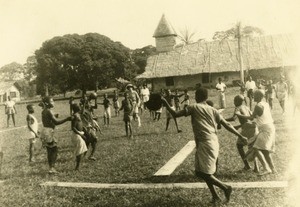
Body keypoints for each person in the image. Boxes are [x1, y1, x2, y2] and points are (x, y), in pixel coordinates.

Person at [162, 87, 248, 203]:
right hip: (212, 142)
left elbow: (176, 114)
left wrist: (165, 103)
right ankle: (215, 196)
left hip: (205, 143)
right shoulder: (213, 110)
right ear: (206, 97)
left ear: (196, 96)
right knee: (203, 172)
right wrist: (240, 135)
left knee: (201, 172)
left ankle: (226, 188)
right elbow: (227, 124)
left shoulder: (194, 107)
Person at [236, 90, 276, 175]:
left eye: (255, 95)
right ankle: (273, 169)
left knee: (256, 148)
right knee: (265, 151)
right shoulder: (265, 103)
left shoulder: (258, 106)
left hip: (266, 129)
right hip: (268, 127)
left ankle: (266, 169)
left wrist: (239, 114)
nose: (253, 96)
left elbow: (251, 118)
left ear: (259, 96)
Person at [225, 95, 259, 172]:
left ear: (237, 101)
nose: (234, 102)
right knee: (251, 147)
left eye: (234, 101)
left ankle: (247, 166)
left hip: (247, 128)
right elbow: (251, 118)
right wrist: (240, 125)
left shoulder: (238, 108)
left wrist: (222, 119)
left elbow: (233, 118)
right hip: (253, 127)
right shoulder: (246, 107)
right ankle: (256, 167)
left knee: (239, 145)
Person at [40, 96, 71, 174]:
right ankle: (52, 168)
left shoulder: (45, 110)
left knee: (49, 150)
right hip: (49, 131)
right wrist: (67, 119)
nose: (53, 102)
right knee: (54, 150)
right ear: (47, 103)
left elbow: (48, 119)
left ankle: (51, 167)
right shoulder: (49, 111)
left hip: (46, 131)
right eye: (52, 101)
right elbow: (56, 122)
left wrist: (54, 116)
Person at [71, 103, 88, 171]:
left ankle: (78, 164)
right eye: (79, 106)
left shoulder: (78, 115)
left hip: (79, 134)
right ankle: (77, 167)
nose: (80, 107)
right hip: (77, 135)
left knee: (82, 150)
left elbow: (79, 124)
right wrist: (81, 135)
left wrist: (84, 128)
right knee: (79, 151)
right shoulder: (75, 116)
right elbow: (73, 128)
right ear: (77, 109)